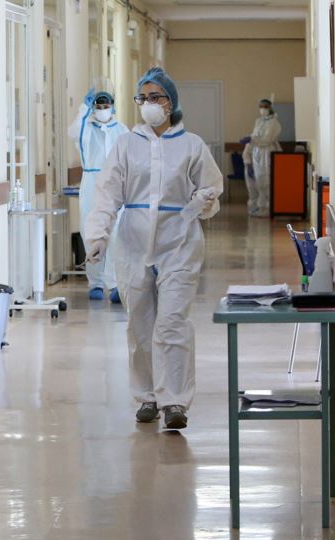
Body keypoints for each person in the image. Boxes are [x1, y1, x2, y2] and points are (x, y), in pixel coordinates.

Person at [85, 67, 223, 430]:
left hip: (179, 242)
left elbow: (211, 189)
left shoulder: (192, 145)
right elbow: (107, 193)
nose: (148, 103)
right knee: (140, 324)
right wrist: (98, 234)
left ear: (171, 102)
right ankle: (147, 396)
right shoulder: (126, 145)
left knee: (173, 321)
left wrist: (203, 201)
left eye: (156, 96)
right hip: (133, 243)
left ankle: (174, 401)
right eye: (142, 97)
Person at [68, 84, 129, 302]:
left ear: (113, 107)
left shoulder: (122, 130)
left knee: (115, 234)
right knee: (91, 232)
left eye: (106, 106)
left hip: (115, 184)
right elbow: (73, 132)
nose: (103, 110)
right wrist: (83, 109)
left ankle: (114, 283)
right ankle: (96, 282)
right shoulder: (86, 127)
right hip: (91, 183)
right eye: (98, 106)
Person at [243, 98, 282, 216]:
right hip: (257, 153)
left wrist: (252, 139)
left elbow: (266, 139)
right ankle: (259, 206)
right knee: (257, 181)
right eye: (261, 106)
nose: (262, 109)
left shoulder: (274, 123)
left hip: (267, 153)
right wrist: (249, 143)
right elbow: (255, 136)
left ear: (270, 108)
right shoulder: (259, 121)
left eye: (265, 106)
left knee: (266, 180)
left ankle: (267, 207)